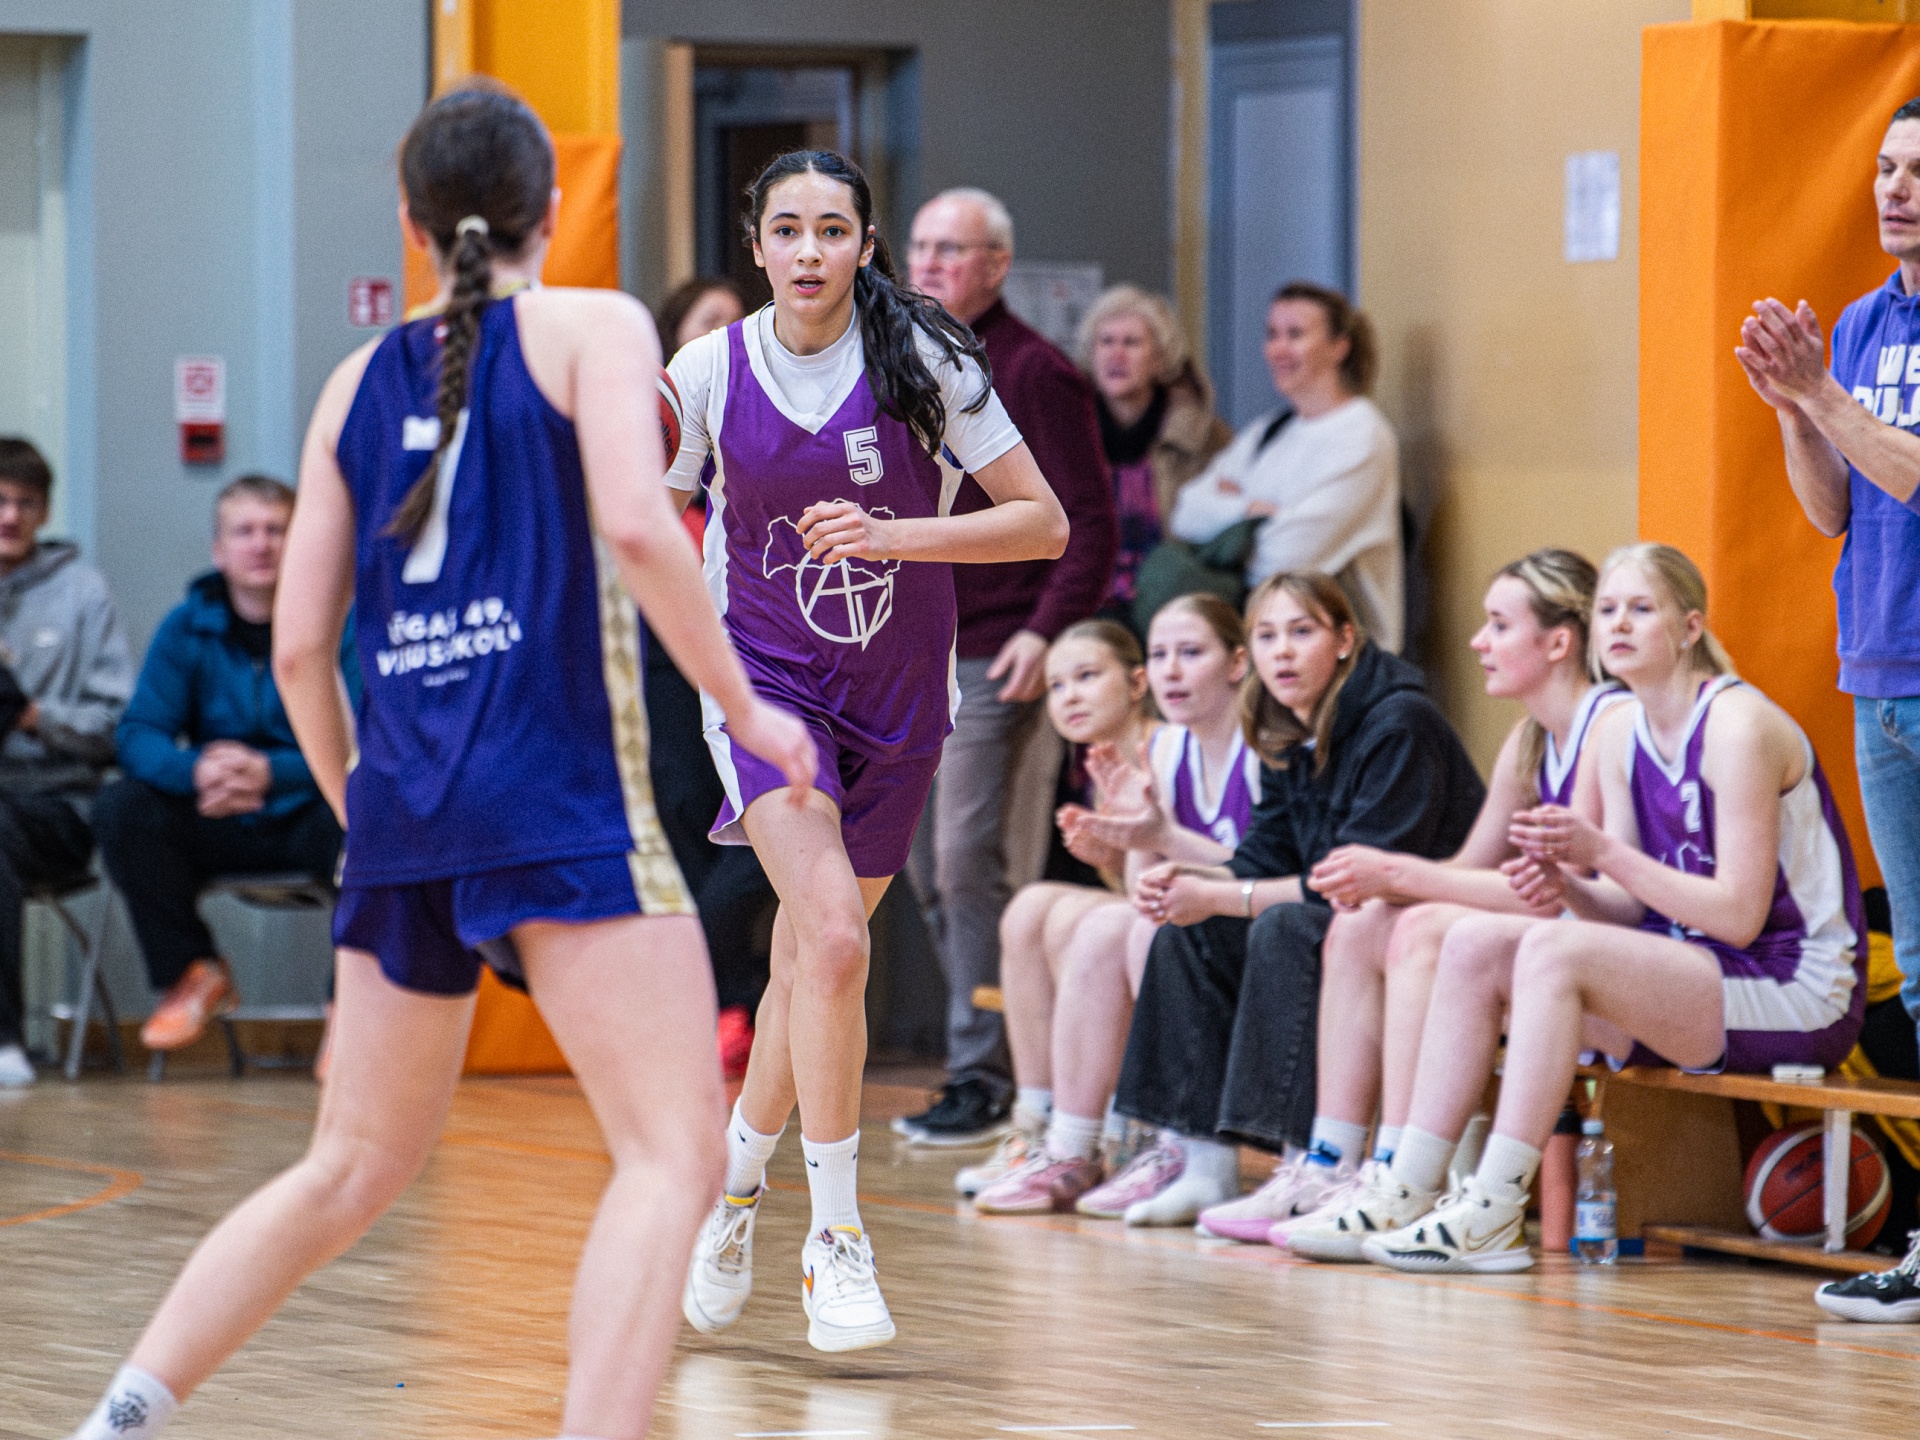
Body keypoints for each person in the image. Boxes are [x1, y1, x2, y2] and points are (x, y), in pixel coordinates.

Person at [60, 85, 815, 1440]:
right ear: (553, 208)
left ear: (412, 226)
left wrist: (363, 810)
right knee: (671, 1156)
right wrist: (748, 709)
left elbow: (303, 646)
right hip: (556, 798)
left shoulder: (354, 384)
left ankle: (119, 1415)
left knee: (346, 1169)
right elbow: (639, 529)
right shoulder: (597, 325)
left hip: (406, 811)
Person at [670, 151, 1067, 1352]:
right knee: (837, 940)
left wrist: (894, 534)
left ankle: (734, 1196)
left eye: (832, 230)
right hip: (767, 690)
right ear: (756, 245)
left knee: (811, 966)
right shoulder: (707, 371)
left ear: (865, 245)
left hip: (899, 694)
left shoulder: (926, 359)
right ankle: (836, 1238)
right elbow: (642, 517)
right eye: (787, 229)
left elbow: (1042, 523)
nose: (809, 251)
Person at [1360, 543, 1865, 1276]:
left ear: (1690, 628)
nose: (1619, 624)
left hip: (1796, 989)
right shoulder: (1625, 731)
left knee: (1550, 951)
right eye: (1607, 610)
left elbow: (1738, 917)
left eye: (1641, 609)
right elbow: (1626, 909)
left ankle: (1494, 1208)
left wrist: (1599, 849)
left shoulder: (1737, 726)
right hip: (1697, 972)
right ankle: (1404, 1187)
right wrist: (1565, 883)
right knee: (1476, 943)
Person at [1247, 550, 1625, 1255]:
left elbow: (1554, 899)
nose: (1478, 641)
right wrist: (1389, 883)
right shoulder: (1530, 738)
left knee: (1421, 925)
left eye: (1498, 625)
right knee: (1366, 922)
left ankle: (1402, 1172)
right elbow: (1469, 871)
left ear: (1557, 642)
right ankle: (1335, 1163)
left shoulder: (1609, 725)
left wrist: (1397, 871)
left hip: (1606, 959)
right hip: (1550, 952)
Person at [1107, 572, 1483, 1226]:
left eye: (1301, 632)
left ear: (1345, 640)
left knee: (1283, 929)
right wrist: (1189, 880)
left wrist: (1223, 896)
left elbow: (1355, 881)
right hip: (1353, 921)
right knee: (1189, 929)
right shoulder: (1287, 728)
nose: (1281, 652)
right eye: (1267, 635)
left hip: (1419, 925)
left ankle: (1313, 1164)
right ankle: (1203, 1163)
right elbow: (1266, 853)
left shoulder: (1399, 721)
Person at [896, 186, 1118, 1145]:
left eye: (954, 250)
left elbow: (1090, 524)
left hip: (993, 651)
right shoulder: (898, 358)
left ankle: (984, 1071)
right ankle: (1007, 1047)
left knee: (965, 859)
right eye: (922, 246)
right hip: (909, 650)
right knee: (919, 868)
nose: (931, 264)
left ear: (996, 265)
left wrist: (1046, 628)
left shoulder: (1033, 371)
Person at [1734, 100, 1920, 1065]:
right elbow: (1833, 510)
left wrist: (1823, 395)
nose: (1896, 189)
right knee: (1918, 967)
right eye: (1886, 168)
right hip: (1877, 672)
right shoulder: (1859, 322)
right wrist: (1791, 411)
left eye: (1918, 172)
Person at [969, 597, 1259, 1213]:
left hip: (1236, 916)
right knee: (1031, 907)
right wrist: (1116, 848)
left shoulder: (1171, 745)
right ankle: (1043, 1125)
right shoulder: (1119, 760)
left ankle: (1120, 1127)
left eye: (1087, 676)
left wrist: (1137, 839)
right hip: (1188, 908)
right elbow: (1142, 877)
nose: (1070, 696)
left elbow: (1168, 882)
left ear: (1134, 684)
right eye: (1057, 685)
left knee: (1095, 924)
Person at [93, 476, 355, 1054]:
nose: (261, 545)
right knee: (122, 806)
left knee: (374, 817)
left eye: (276, 530)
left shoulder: (343, 621)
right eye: (244, 531)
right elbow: (138, 733)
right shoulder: (187, 626)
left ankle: (350, 1007)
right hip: (218, 814)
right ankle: (192, 971)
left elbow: (366, 738)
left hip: (312, 812)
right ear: (219, 550)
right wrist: (197, 771)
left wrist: (271, 772)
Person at [641, 273, 770, 1077]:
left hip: (761, 655)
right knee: (689, 826)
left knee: (767, 827)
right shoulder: (652, 428)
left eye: (737, 323)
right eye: (710, 322)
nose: (727, 336)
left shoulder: (767, 419)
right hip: (666, 660)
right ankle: (721, 1005)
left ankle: (704, 988)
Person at [1168, 282, 1403, 650]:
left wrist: (1230, 521)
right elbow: (1185, 512)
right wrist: (1250, 510)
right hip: (1263, 647)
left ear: (1339, 347)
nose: (1278, 349)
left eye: (1295, 334)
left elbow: (1284, 559)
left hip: (1341, 660)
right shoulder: (1270, 429)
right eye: (1272, 334)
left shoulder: (1361, 434)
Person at [0, 437, 132, 1089]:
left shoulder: (83, 592)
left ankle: (4, 1039)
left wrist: (31, 715)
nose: (9, 516)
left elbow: (117, 725)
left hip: (56, 805)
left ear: (45, 512)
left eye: (25, 503)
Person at [1075, 285, 1231, 625]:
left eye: (1131, 342)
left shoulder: (1205, 438)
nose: (1116, 354)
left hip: (1174, 610)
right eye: (1106, 341)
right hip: (1081, 613)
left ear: (1160, 359)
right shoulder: (1063, 431)